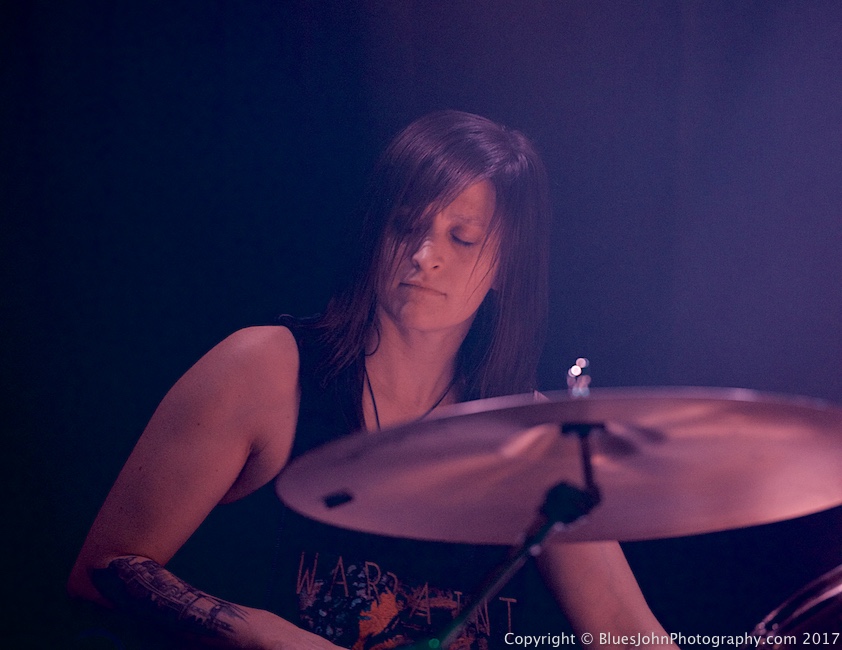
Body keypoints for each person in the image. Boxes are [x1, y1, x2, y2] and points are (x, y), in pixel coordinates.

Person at [68, 110, 677, 649]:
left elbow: (624, 629)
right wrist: (258, 631)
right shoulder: (264, 369)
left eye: (461, 238)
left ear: (505, 270)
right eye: (406, 226)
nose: (424, 254)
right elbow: (106, 565)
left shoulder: (534, 436)